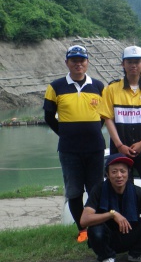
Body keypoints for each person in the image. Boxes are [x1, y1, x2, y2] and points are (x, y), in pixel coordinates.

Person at [43, 45, 106, 234]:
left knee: (95, 190)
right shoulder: (55, 87)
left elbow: (104, 115)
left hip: (95, 148)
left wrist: (93, 129)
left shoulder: (98, 86)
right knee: (74, 191)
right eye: (74, 60)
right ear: (67, 63)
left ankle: (97, 228)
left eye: (82, 60)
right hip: (69, 150)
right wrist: (65, 133)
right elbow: (48, 116)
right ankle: (82, 230)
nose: (78, 64)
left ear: (87, 62)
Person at [99, 46, 141, 201]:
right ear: (123, 64)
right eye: (129, 61)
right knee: (121, 188)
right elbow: (108, 118)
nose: (133, 65)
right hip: (120, 150)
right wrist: (119, 145)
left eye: (137, 62)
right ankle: (126, 222)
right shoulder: (111, 89)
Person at [80, 153, 141, 262]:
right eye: (114, 171)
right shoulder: (98, 190)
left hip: (129, 233)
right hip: (108, 237)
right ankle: (107, 257)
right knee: (95, 229)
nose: (119, 175)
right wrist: (112, 214)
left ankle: (137, 254)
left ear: (128, 173)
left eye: (123, 171)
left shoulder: (137, 192)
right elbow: (84, 220)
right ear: (107, 174)